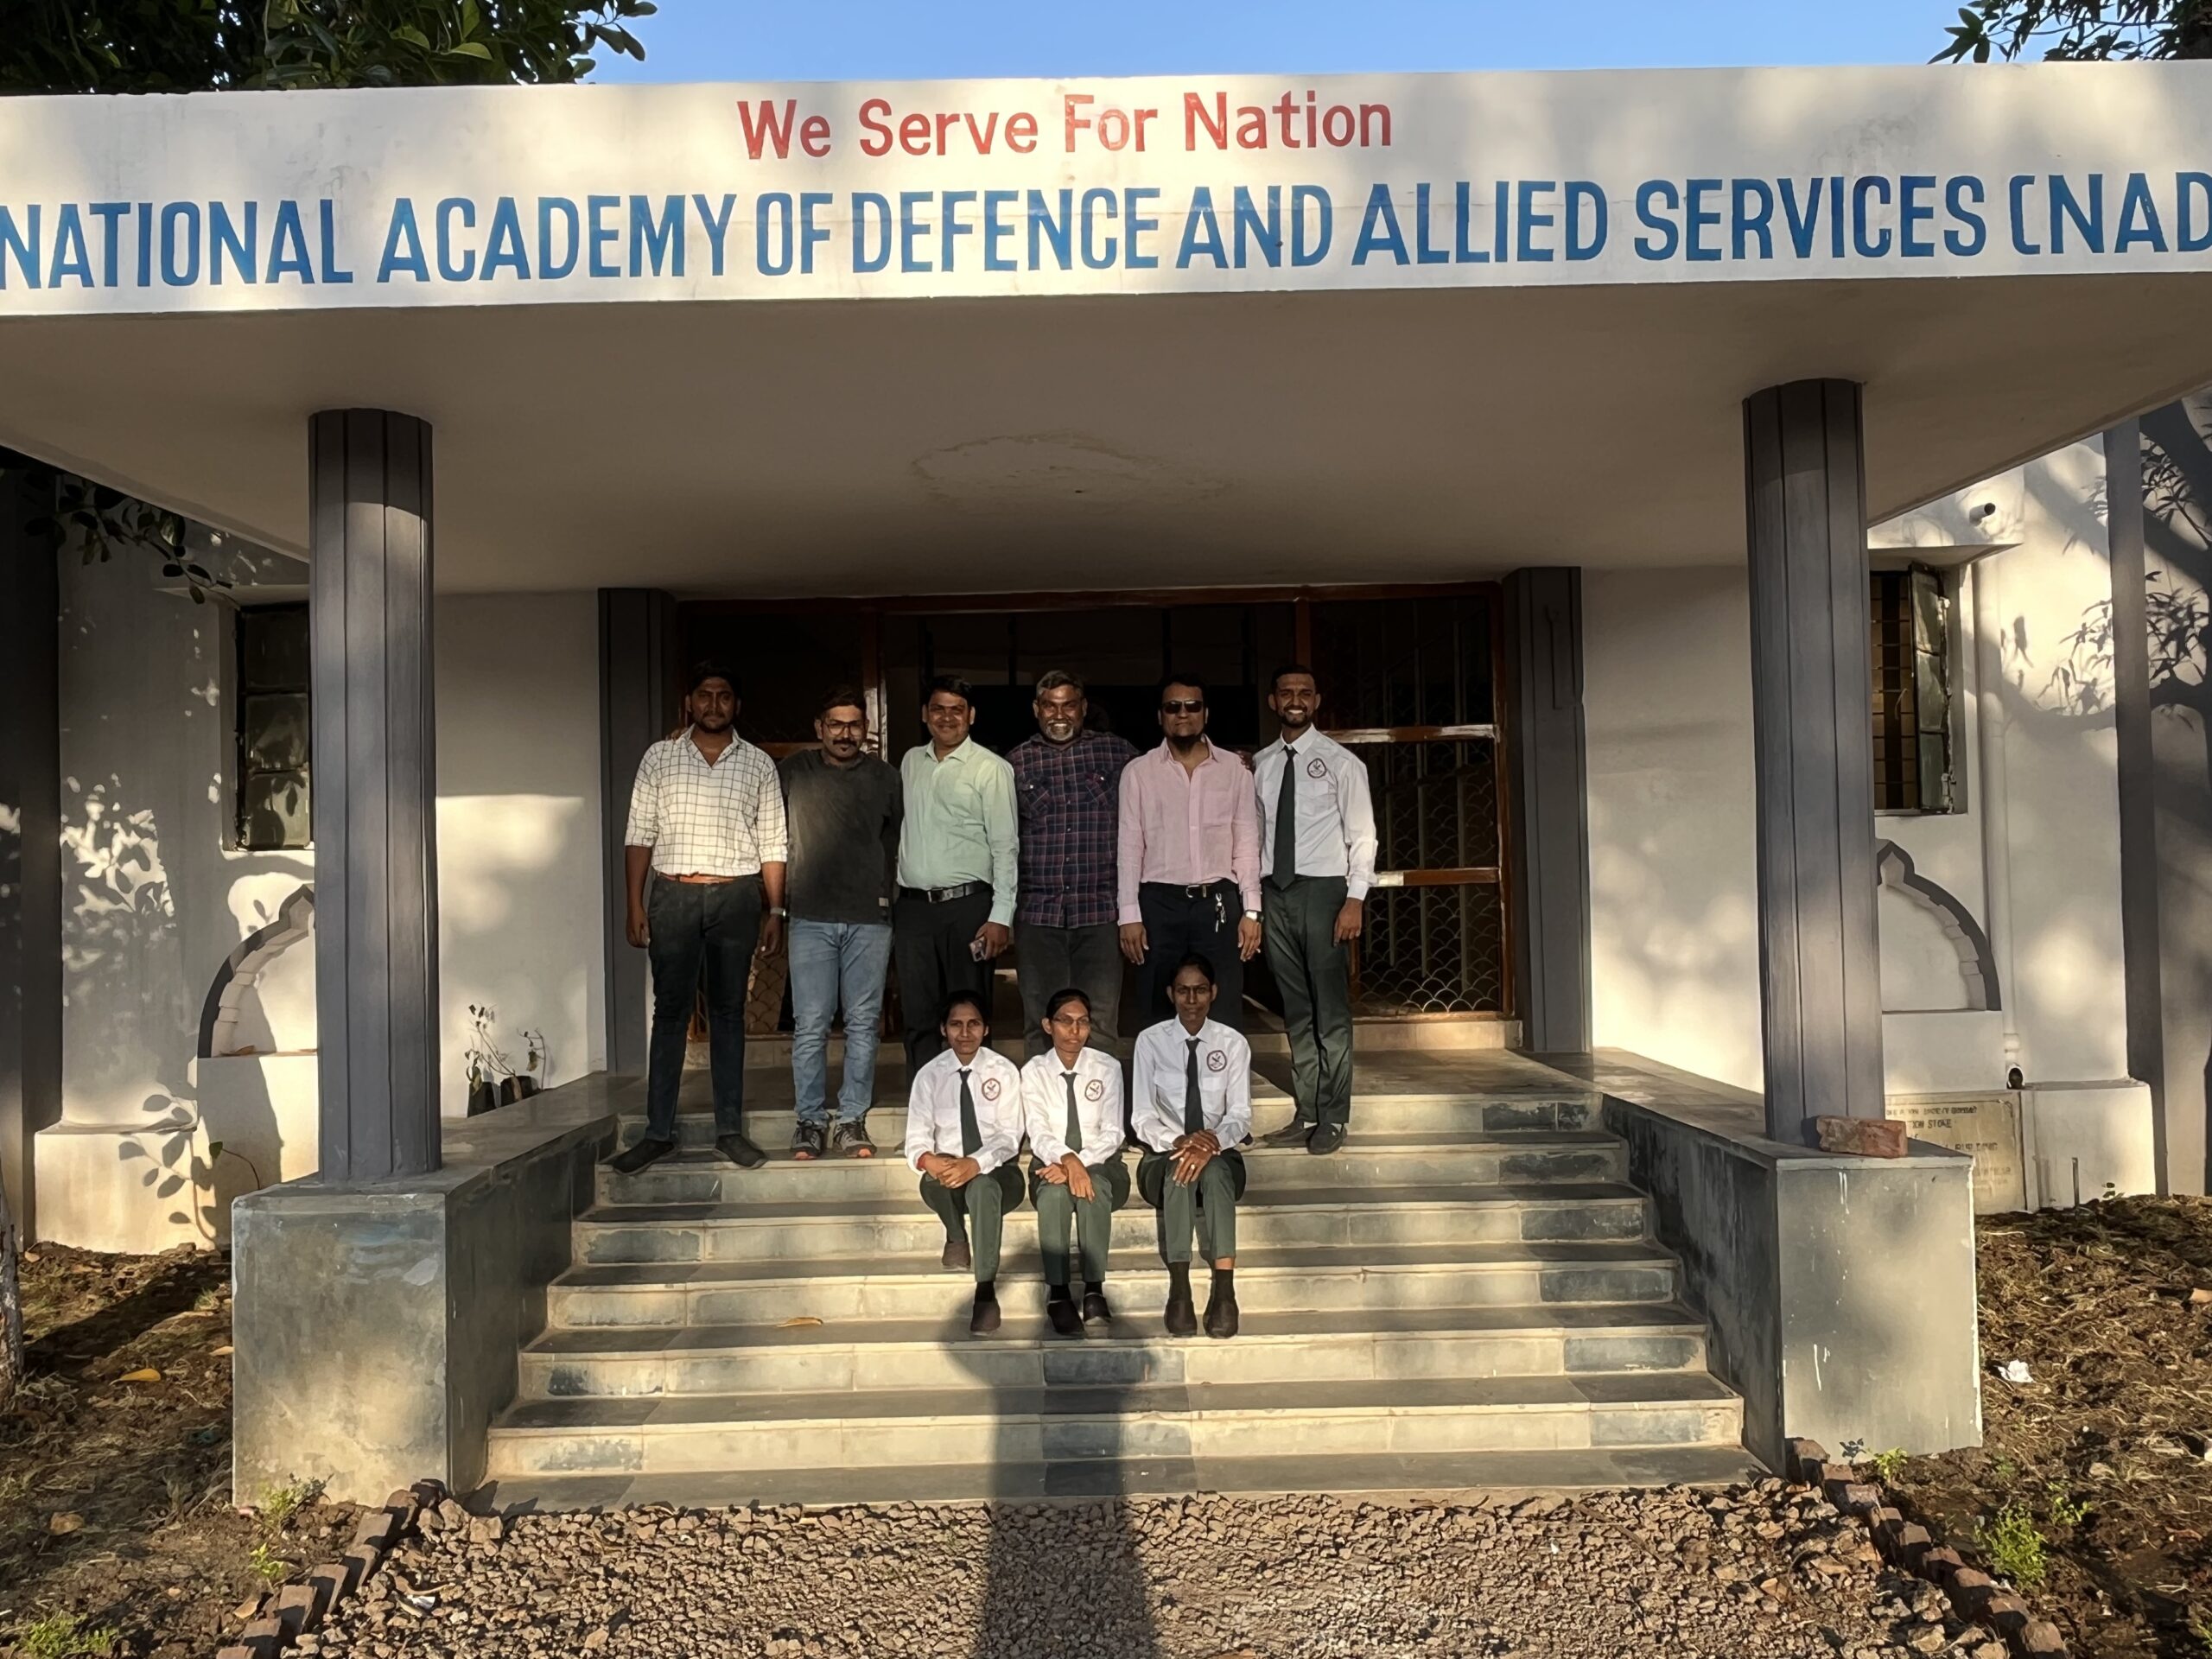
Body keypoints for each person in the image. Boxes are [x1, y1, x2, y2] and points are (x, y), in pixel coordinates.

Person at [608, 662, 787, 1175]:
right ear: (690, 702)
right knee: (670, 1014)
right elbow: (639, 832)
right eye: (705, 695)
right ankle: (657, 1133)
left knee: (730, 1014)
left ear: (737, 705)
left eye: (724, 696)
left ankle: (728, 1131)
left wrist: (774, 908)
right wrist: (635, 903)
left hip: (735, 897)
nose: (714, 705)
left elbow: (774, 840)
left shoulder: (757, 764)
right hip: (673, 895)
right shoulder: (660, 757)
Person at [1253, 664, 1376, 1158]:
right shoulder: (1260, 764)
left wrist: (1355, 899)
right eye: (1286, 693)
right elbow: (1258, 835)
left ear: (1317, 700)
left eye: (1305, 692)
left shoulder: (1341, 763)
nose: (1296, 700)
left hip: (1324, 891)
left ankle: (1334, 1114)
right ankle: (1305, 1110)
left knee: (1330, 1009)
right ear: (1273, 702)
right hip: (1275, 892)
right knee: (1296, 1008)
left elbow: (1362, 836)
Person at [779, 686, 902, 1160]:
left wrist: (888, 897)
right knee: (810, 1024)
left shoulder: (886, 779)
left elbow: (897, 842)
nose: (845, 733)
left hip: (871, 918)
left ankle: (852, 1120)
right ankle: (809, 1121)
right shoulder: (793, 772)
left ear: (866, 730)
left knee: (863, 1023)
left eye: (854, 725)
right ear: (819, 728)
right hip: (809, 915)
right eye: (836, 724)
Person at [1116, 674, 1262, 1030]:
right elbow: (1130, 845)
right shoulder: (1138, 772)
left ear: (1206, 714)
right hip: (1158, 904)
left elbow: (1245, 841)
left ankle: (1219, 1083)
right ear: (1161, 716)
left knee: (1223, 1003)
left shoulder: (1234, 771)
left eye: (1192, 706)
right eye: (1173, 707)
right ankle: (1162, 1087)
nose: (1183, 714)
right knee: (1156, 1004)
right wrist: (1128, 914)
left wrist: (1253, 911)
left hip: (1218, 901)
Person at [1009, 671, 1136, 1058]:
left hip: (1098, 912)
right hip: (1038, 914)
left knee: (1098, 1024)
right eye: (1050, 705)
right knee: (1039, 1022)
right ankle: (1043, 1116)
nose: (1059, 714)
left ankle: (1100, 1114)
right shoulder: (1015, 763)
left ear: (1083, 708)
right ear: (1037, 709)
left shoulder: (1118, 754)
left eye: (1068, 705)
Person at [894, 676, 1018, 1071]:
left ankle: (976, 1105)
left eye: (956, 709)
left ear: (971, 716)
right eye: (938, 709)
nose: (947, 718)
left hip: (968, 907)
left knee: (969, 1013)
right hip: (913, 909)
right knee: (917, 1013)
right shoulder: (912, 761)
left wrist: (1000, 916)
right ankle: (926, 1102)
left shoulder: (990, 768)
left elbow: (1005, 846)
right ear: (925, 715)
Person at [1132, 954, 1250, 1339]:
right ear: (1171, 994)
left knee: (1214, 1170)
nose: (1192, 999)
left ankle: (1224, 1290)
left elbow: (1240, 1116)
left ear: (1213, 993)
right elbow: (1142, 1117)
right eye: (1183, 991)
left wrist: (1212, 1141)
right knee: (1179, 1167)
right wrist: (1180, 1142)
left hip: (1221, 1157)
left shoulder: (1233, 1043)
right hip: (1163, 1158)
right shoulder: (1150, 1042)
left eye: (1200, 990)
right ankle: (1180, 1289)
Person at [904, 990, 1026, 1336]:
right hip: (949, 1174)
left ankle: (985, 1291)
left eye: (973, 1024)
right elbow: (916, 1137)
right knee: (932, 1175)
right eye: (956, 1025)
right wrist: (929, 1160)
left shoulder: (1003, 1071)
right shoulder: (929, 1075)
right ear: (943, 1030)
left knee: (985, 1186)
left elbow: (1008, 1136)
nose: (965, 1033)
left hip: (999, 1173)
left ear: (985, 1029)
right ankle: (956, 1235)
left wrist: (975, 1163)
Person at [1020, 987, 1129, 1334]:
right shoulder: (1033, 1071)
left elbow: (1113, 1132)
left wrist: (1078, 1164)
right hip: (1049, 1162)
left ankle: (1095, 1289)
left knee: (1094, 1186)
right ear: (1048, 1025)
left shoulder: (1107, 1067)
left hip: (1103, 1162)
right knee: (1053, 1195)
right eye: (1065, 1022)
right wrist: (1068, 1160)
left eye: (1082, 1022)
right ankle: (1059, 1293)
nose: (1075, 1031)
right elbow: (1037, 1132)